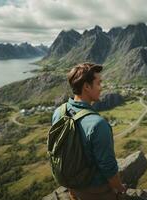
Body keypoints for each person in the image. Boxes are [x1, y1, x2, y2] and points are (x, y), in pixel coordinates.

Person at [51, 62, 126, 200]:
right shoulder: (98, 124)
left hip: (73, 188)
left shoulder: (59, 112)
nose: (101, 88)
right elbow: (108, 168)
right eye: (98, 83)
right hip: (97, 192)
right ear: (86, 86)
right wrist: (120, 189)